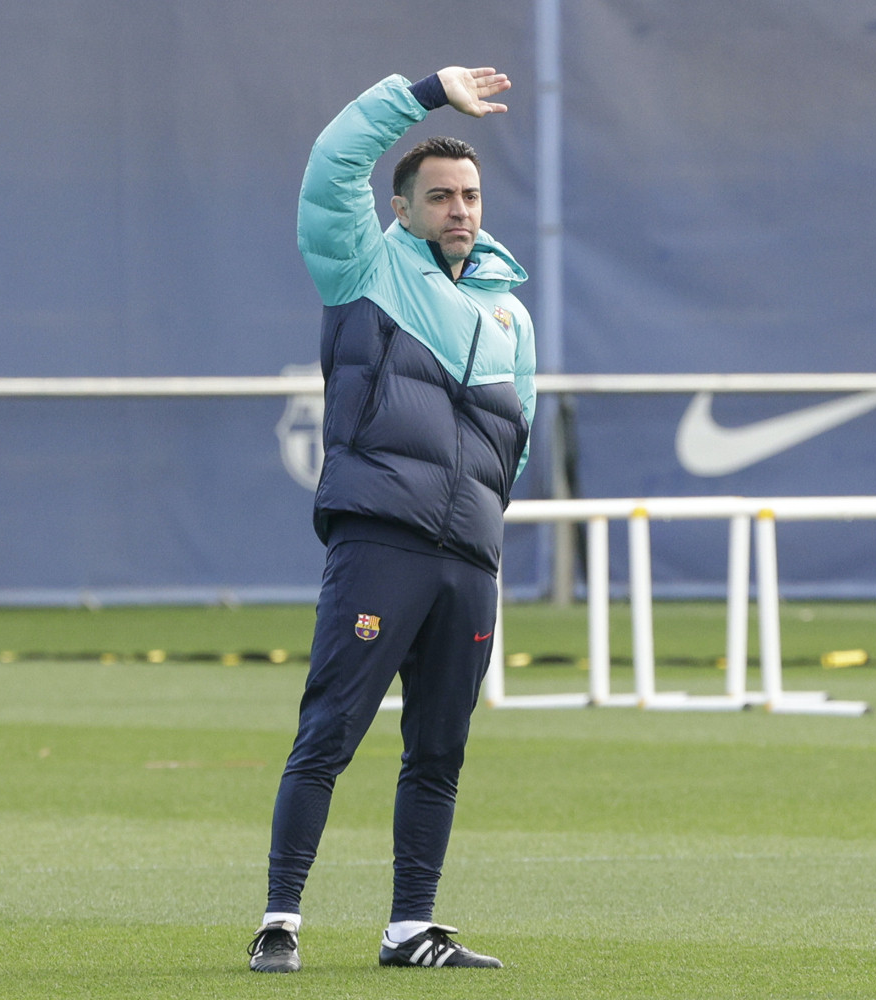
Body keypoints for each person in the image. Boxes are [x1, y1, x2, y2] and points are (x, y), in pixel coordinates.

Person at [248, 65, 535, 974]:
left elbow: (515, 436)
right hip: (382, 543)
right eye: (440, 196)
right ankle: (280, 920)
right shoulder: (362, 267)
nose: (460, 209)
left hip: (467, 561)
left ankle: (411, 928)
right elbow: (334, 165)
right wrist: (422, 92)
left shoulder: (509, 314)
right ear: (402, 210)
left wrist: (485, 527)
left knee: (440, 750)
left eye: (472, 195)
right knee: (329, 731)